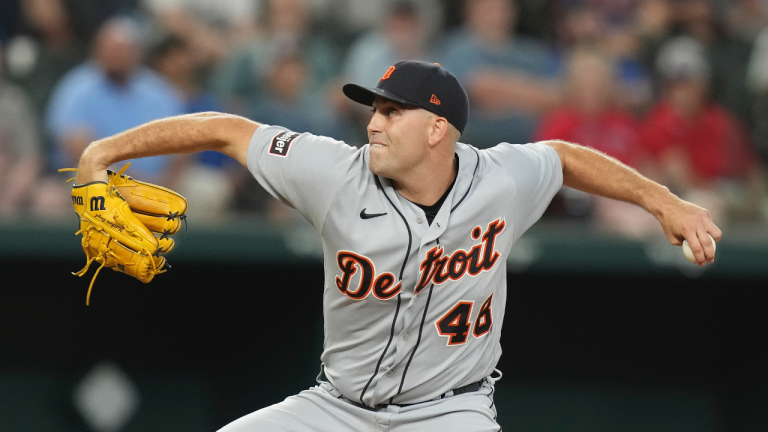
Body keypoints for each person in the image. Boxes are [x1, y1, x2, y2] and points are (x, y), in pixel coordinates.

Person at [72, 60, 720, 431]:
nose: (373, 123)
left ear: (439, 128)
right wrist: (103, 152)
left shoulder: (498, 180)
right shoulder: (331, 171)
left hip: (450, 414)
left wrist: (663, 200)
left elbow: (565, 157)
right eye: (372, 109)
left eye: (391, 112)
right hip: (336, 408)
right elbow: (222, 129)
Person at [46, 17, 185, 185]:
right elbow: (79, 149)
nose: (116, 55)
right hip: (96, 178)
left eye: (123, 50)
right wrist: (131, 183)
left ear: (137, 52)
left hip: (160, 181)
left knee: (205, 189)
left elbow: (184, 143)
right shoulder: (77, 89)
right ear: (97, 50)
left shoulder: (158, 90)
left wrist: (167, 181)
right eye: (111, 49)